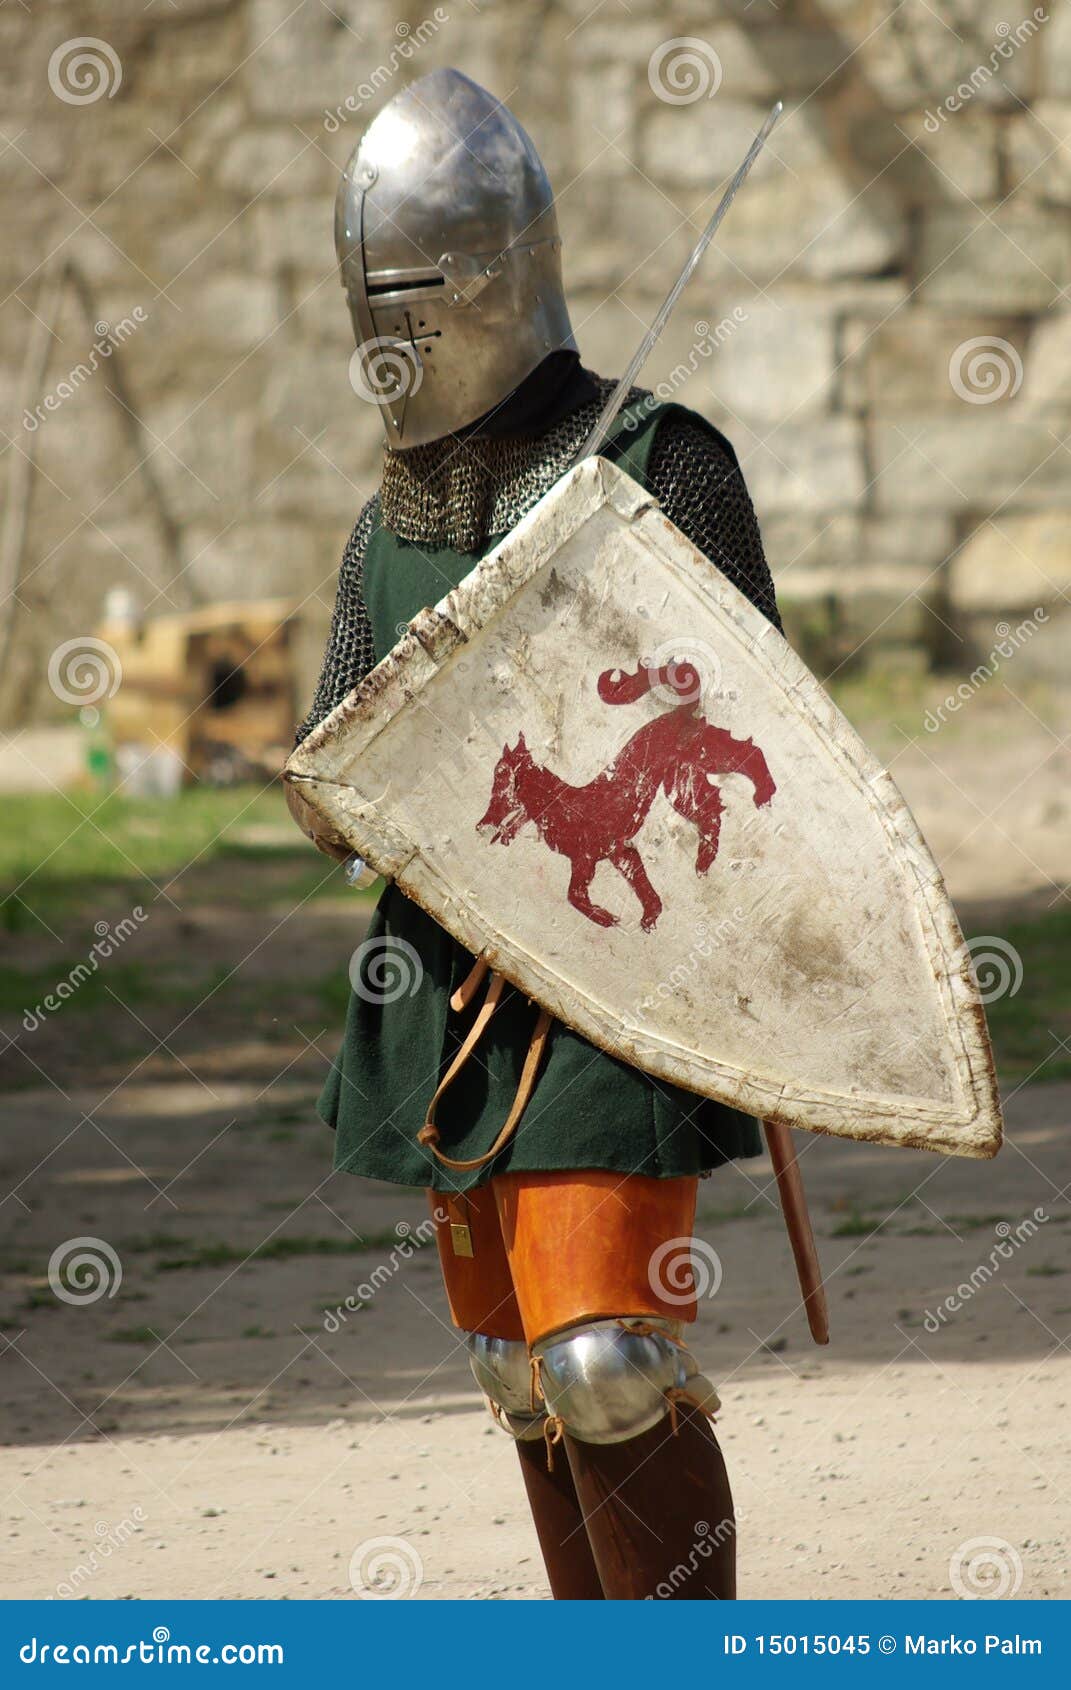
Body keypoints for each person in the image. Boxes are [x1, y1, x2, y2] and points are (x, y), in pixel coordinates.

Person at [288, 67, 783, 1601]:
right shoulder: (391, 522)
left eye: (422, 282)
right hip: (449, 998)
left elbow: (760, 723)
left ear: (500, 268)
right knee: (518, 1370)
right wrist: (329, 783)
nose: (401, 322)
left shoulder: (655, 466)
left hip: (611, 988)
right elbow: (338, 777)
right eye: (376, 291)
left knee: (606, 1361)